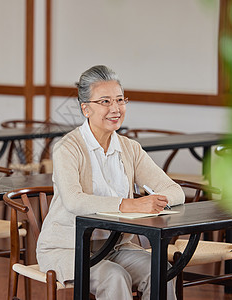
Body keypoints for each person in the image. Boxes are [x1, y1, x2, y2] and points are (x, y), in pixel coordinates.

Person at [36, 65, 185, 299]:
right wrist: (131, 204)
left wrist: (155, 201)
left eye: (119, 100)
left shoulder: (130, 148)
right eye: (105, 101)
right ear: (85, 108)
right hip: (67, 249)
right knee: (114, 276)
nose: (115, 109)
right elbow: (75, 201)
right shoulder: (67, 147)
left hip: (116, 246)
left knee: (162, 271)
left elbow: (176, 192)